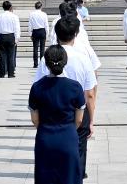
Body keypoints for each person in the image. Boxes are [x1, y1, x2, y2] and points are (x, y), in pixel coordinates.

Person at [35, 17, 97, 181]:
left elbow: (38, 87)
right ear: (75, 34)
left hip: (50, 115)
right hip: (78, 112)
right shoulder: (83, 58)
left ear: (56, 34)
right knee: (78, 152)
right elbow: (90, 93)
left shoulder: (46, 58)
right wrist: (90, 120)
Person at [29, 45, 86, 184]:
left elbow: (35, 120)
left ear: (46, 63)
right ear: (65, 61)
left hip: (45, 138)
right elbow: (78, 120)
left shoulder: (37, 87)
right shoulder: (75, 86)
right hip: (68, 137)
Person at [0, 2, 20, 78]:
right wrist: (17, 38)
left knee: (2, 56)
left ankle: (2, 73)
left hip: (2, 36)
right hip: (11, 36)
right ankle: (11, 73)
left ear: (3, 7)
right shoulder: (14, 16)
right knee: (11, 55)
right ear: (10, 7)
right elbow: (17, 28)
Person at [29, 2, 49, 68]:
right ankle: (42, 64)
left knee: (35, 48)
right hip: (42, 31)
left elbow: (30, 25)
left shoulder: (31, 14)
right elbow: (46, 25)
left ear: (35, 7)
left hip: (35, 31)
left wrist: (30, 33)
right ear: (41, 7)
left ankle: (35, 64)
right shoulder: (44, 14)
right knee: (42, 48)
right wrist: (47, 33)